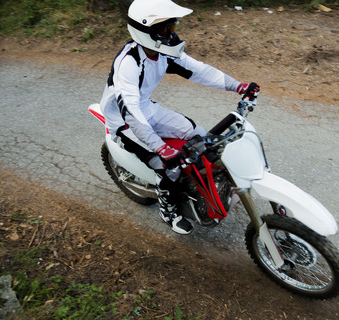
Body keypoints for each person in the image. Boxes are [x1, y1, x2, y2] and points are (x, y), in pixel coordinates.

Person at [99, 0, 260, 235]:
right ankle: (168, 210)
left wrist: (238, 86)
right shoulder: (130, 63)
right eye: (164, 29)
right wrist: (161, 149)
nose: (171, 34)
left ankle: (206, 187)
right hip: (123, 122)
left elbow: (198, 70)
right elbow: (130, 111)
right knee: (166, 166)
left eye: (172, 27)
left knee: (200, 136)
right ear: (145, 31)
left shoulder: (163, 52)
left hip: (147, 109)